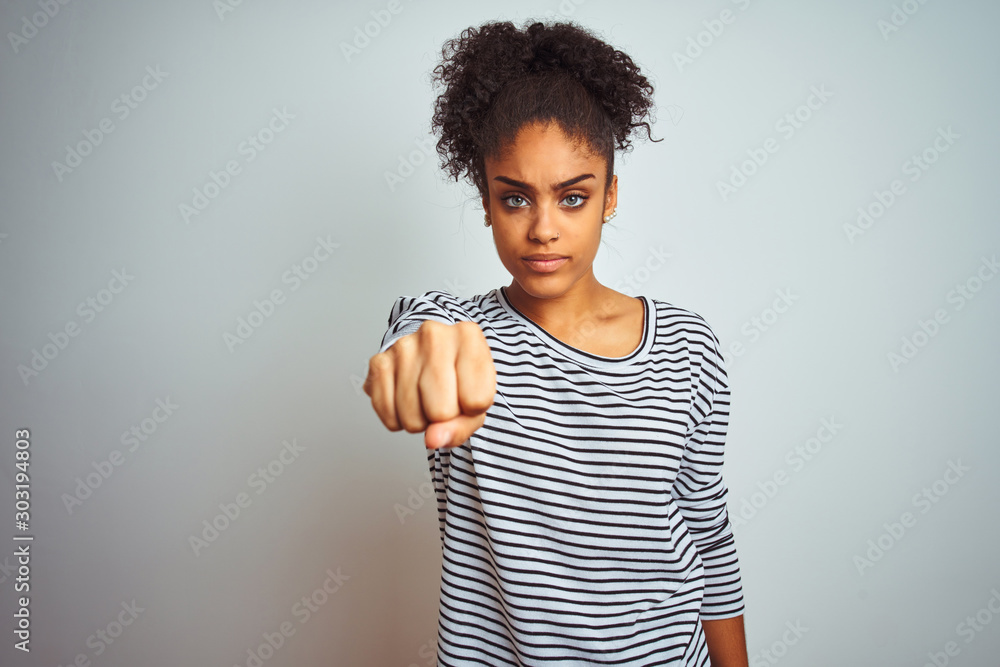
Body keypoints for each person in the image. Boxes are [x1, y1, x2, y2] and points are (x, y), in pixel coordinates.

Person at [364, 19, 748, 666]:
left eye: (572, 197)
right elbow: (413, 343)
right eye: (515, 199)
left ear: (611, 196)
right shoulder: (457, 331)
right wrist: (412, 365)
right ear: (485, 200)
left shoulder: (688, 347)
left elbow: (709, 536)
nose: (543, 228)